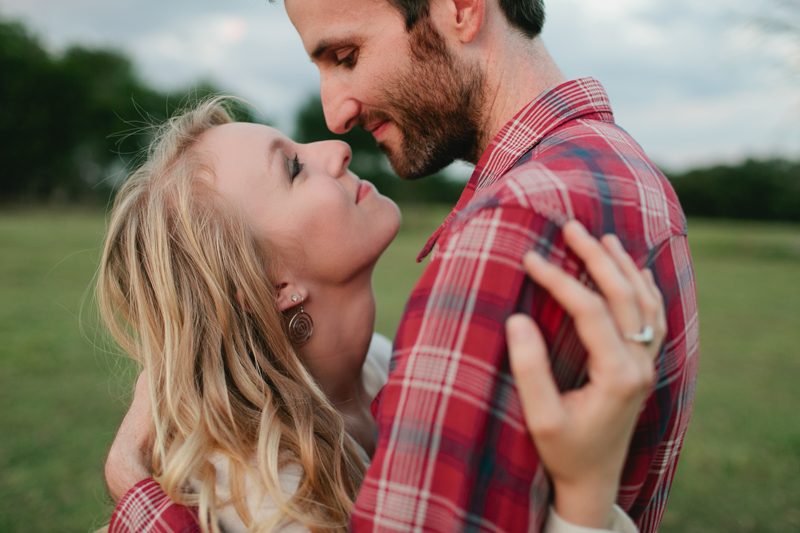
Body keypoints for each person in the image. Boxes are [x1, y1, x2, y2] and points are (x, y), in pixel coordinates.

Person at [100, 98, 664, 533]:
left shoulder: (385, 362)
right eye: (295, 168)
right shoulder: (253, 489)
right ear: (272, 287)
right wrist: (584, 490)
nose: (335, 147)